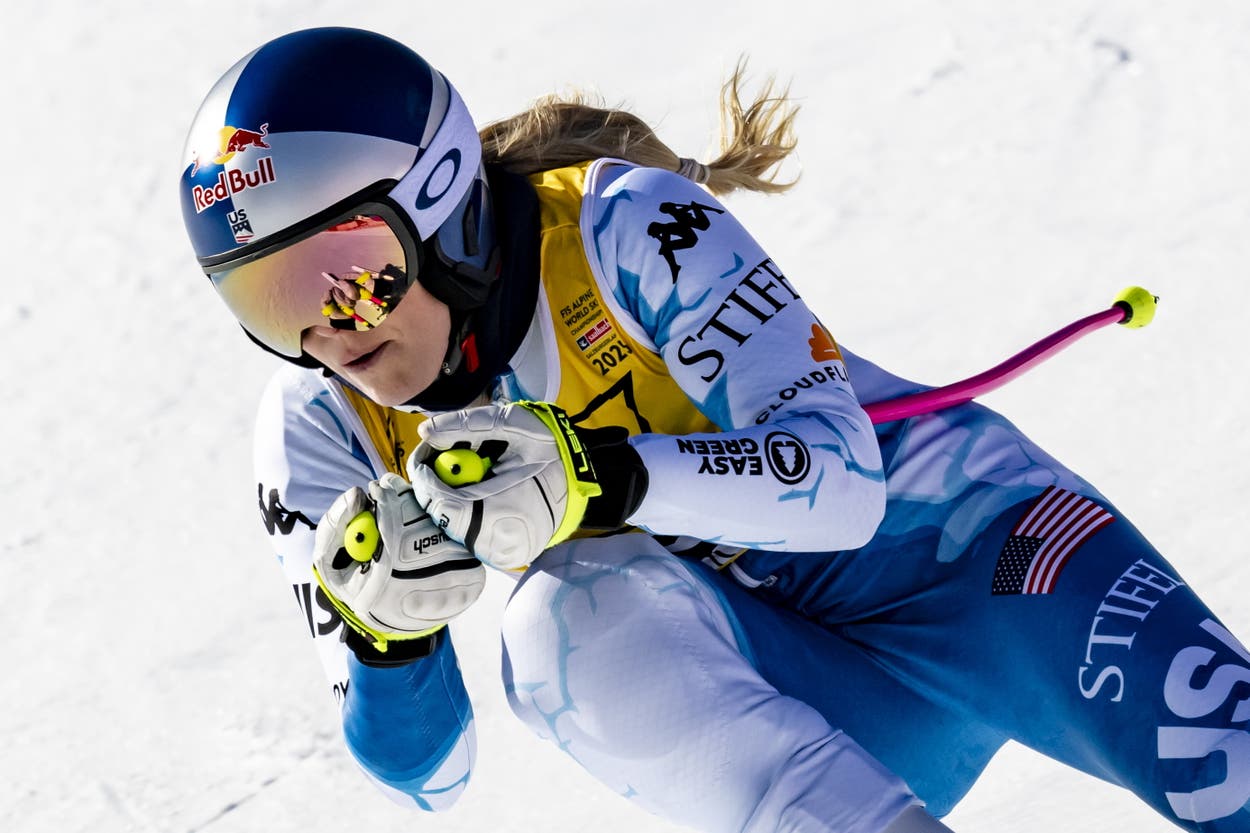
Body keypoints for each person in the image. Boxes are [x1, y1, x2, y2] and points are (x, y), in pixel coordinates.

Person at [179, 27, 1250, 833]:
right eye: (269, 300)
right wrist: (387, 639)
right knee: (558, 620)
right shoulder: (322, 428)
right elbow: (430, 780)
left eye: (348, 273)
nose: (328, 335)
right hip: (810, 702)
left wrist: (595, 474)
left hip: (982, 565)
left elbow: (841, 483)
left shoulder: (621, 223)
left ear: (443, 199)